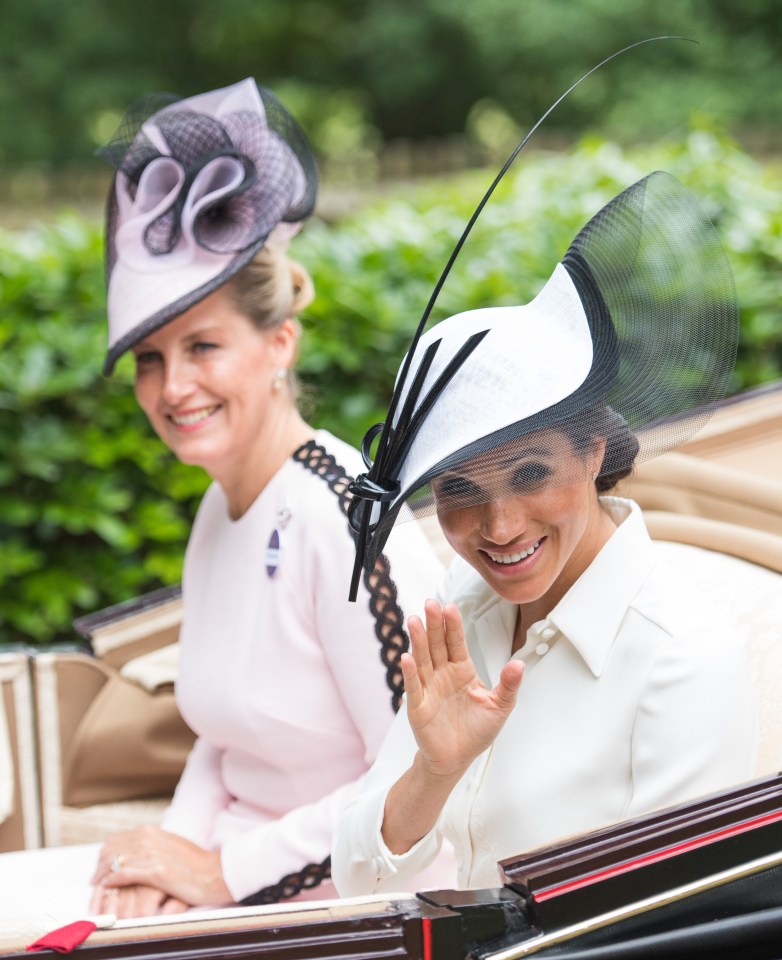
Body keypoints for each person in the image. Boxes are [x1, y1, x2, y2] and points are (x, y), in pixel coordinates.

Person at [0, 78, 447, 925]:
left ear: (280, 342)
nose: (175, 388)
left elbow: (418, 774)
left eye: (203, 346)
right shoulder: (221, 507)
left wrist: (217, 873)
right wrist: (157, 858)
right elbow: (225, 739)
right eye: (150, 359)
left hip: (346, 911)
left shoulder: (344, 517)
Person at [331, 170, 759, 896]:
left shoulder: (681, 658)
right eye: (459, 489)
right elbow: (357, 878)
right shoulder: (460, 605)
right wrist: (434, 772)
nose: (498, 529)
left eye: (531, 474)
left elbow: (665, 931)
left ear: (594, 452)